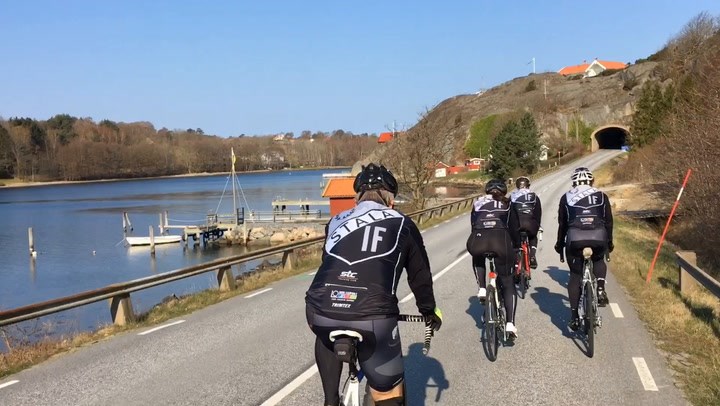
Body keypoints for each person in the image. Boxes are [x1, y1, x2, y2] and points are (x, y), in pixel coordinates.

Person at [305, 163, 443, 406]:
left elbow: (329, 265)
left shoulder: (336, 221)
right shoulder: (402, 222)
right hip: (373, 313)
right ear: (391, 201)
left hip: (318, 308)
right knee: (387, 392)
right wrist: (428, 310)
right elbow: (419, 275)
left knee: (328, 325)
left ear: (357, 198)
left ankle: (330, 400)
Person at [554, 167, 614, 331]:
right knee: (598, 260)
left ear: (574, 182)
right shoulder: (601, 195)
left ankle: (574, 316)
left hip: (575, 238)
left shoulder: (566, 197)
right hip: (598, 236)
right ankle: (600, 289)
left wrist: (560, 244)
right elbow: (608, 221)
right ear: (591, 181)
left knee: (575, 276)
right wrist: (609, 242)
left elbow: (562, 224)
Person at [466, 178, 521, 338]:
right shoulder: (508, 203)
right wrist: (516, 247)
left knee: (477, 255)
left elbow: (473, 225)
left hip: (478, 239)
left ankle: (482, 288)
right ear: (504, 191)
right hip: (500, 242)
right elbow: (514, 229)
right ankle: (510, 324)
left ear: (487, 191)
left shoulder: (477, 203)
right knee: (508, 283)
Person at [510, 176, 542, 270]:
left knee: (514, 241)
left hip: (517, 225)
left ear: (517, 186)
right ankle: (532, 256)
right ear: (528, 185)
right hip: (531, 225)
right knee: (532, 237)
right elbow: (538, 214)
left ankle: (516, 259)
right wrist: (538, 226)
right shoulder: (534, 196)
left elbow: (509, 214)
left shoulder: (512, 196)